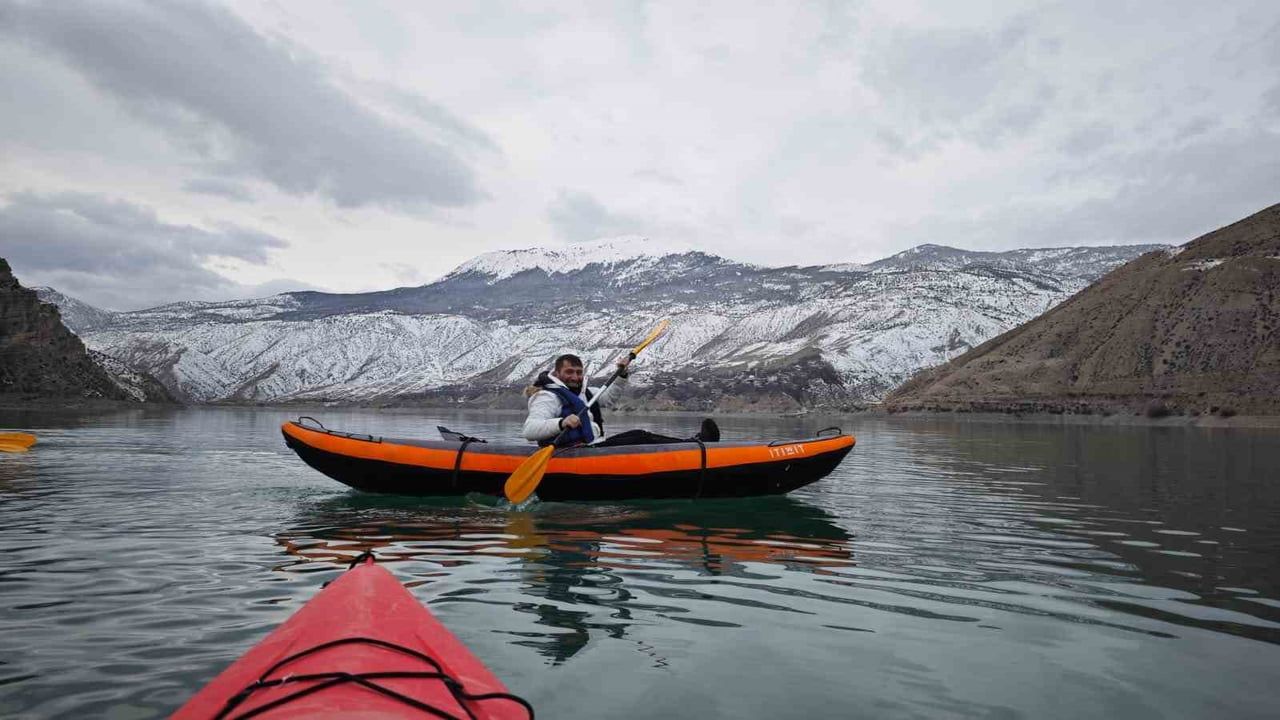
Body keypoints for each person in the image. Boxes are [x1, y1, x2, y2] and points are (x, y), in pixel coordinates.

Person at [522, 353, 719, 447]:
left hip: (590, 447)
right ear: (557, 373)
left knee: (639, 434)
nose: (575, 377)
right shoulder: (546, 396)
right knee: (640, 437)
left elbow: (608, 399)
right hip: (566, 454)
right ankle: (692, 444)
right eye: (569, 372)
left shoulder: (584, 392)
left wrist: (622, 375)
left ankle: (690, 444)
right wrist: (561, 422)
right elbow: (530, 430)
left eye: (578, 372)